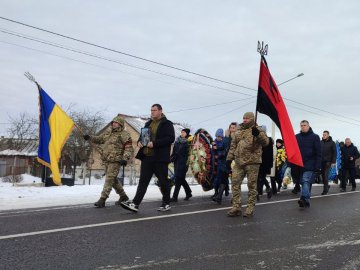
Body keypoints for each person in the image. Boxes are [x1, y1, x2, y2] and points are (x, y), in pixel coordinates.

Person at [121, 104, 175, 212]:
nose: (152, 112)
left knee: (163, 181)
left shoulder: (167, 124)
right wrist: (140, 142)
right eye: (151, 110)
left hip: (159, 158)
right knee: (143, 181)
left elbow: (170, 138)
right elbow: (142, 137)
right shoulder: (148, 123)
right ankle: (135, 204)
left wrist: (154, 143)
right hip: (147, 157)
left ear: (160, 111)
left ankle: (166, 203)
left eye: (154, 110)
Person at [83, 115, 134, 208]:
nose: (114, 124)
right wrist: (89, 137)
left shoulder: (124, 134)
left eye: (116, 122)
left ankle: (102, 199)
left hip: (116, 160)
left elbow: (128, 148)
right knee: (113, 180)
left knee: (109, 179)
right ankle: (123, 196)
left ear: (120, 124)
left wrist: (125, 158)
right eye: (113, 122)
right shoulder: (108, 132)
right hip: (106, 159)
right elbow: (99, 139)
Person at [226, 112, 269, 217]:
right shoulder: (239, 131)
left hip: (252, 162)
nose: (245, 120)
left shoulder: (258, 129)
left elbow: (265, 142)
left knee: (251, 186)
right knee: (235, 183)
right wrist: (229, 159)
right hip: (239, 162)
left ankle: (250, 208)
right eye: (243, 118)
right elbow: (233, 146)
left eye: (247, 118)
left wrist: (258, 134)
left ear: (252, 119)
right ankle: (236, 207)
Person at [291, 120, 321, 208]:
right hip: (299, 164)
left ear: (308, 126)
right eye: (301, 125)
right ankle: (306, 201)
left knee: (305, 180)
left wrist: (318, 165)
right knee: (305, 183)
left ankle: (304, 198)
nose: (303, 127)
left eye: (304, 125)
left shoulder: (315, 137)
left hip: (310, 163)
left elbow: (318, 152)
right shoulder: (296, 137)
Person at [170, 128, 192, 202]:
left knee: (179, 179)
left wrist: (187, 163)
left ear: (187, 134)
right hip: (176, 162)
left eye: (184, 132)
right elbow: (174, 152)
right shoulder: (177, 141)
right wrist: (171, 159)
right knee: (181, 179)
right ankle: (188, 192)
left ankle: (175, 197)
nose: (182, 133)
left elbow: (190, 154)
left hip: (184, 163)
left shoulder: (189, 143)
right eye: (181, 132)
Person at [211, 128, 229, 204]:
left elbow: (225, 151)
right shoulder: (214, 142)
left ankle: (225, 190)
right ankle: (216, 193)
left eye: (220, 136)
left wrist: (219, 156)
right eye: (217, 136)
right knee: (216, 178)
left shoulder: (224, 142)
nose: (218, 137)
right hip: (215, 163)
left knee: (222, 178)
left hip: (223, 162)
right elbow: (212, 152)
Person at [256, 126, 273, 201]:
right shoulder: (259, 139)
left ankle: (258, 192)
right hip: (259, 161)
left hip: (264, 162)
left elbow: (270, 153)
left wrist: (270, 164)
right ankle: (267, 188)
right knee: (260, 177)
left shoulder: (267, 140)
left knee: (260, 177)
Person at [320, 130, 336, 195]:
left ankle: (325, 190)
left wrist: (333, 162)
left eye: (325, 135)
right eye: (323, 134)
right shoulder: (320, 142)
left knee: (326, 176)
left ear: (328, 135)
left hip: (328, 162)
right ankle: (327, 186)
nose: (324, 136)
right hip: (321, 162)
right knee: (323, 176)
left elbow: (334, 153)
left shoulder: (332, 143)